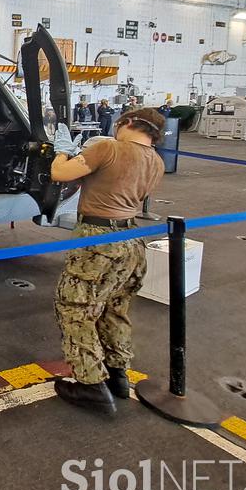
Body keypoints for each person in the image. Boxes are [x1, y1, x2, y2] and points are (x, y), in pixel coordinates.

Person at [48, 107, 166, 414]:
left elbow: (59, 174)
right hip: (131, 241)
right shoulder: (156, 161)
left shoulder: (108, 147)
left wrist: (62, 152)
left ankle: (90, 386)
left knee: (75, 309)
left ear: (126, 123)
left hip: (97, 239)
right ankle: (117, 376)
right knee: (114, 309)